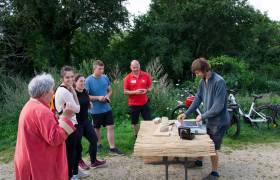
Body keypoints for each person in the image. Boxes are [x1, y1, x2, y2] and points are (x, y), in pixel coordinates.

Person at [14, 73, 76, 180]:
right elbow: (55, 138)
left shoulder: (30, 105)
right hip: (39, 164)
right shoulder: (41, 111)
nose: (53, 93)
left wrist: (58, 119)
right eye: (52, 90)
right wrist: (66, 117)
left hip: (30, 159)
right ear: (44, 93)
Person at [178, 58, 230, 180]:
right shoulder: (202, 81)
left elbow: (218, 106)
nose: (196, 75)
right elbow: (198, 98)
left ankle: (215, 173)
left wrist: (203, 115)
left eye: (197, 72)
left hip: (219, 121)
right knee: (203, 140)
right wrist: (186, 113)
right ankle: (199, 161)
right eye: (195, 73)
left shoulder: (219, 82)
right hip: (209, 120)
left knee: (212, 147)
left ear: (205, 69)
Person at [55, 66, 88, 180]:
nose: (70, 79)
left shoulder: (62, 88)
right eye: (67, 77)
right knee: (70, 151)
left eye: (72, 76)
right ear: (62, 78)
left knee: (77, 148)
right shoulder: (66, 91)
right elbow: (78, 109)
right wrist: (74, 93)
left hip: (70, 123)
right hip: (68, 125)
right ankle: (69, 175)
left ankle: (75, 171)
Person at [85, 60, 124, 155]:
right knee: (96, 128)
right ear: (94, 68)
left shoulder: (105, 77)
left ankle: (112, 148)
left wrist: (107, 96)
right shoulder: (88, 80)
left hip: (107, 108)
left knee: (110, 127)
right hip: (95, 110)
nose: (102, 71)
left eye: (103, 68)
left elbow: (110, 90)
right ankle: (98, 145)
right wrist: (98, 97)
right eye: (99, 69)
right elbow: (86, 96)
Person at [74, 74, 106, 169]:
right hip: (76, 122)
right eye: (80, 81)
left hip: (85, 120)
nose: (83, 83)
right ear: (75, 82)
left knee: (94, 139)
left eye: (84, 81)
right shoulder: (72, 93)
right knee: (77, 143)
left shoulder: (84, 91)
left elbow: (87, 101)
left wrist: (89, 104)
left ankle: (93, 161)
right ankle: (79, 161)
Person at [123, 60, 152, 138]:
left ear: (139, 66)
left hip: (144, 103)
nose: (135, 69)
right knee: (134, 122)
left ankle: (149, 136)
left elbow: (150, 87)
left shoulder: (146, 75)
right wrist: (135, 92)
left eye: (137, 67)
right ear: (131, 67)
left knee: (148, 121)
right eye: (133, 67)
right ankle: (137, 136)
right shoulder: (127, 78)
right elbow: (125, 92)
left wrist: (147, 90)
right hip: (134, 104)